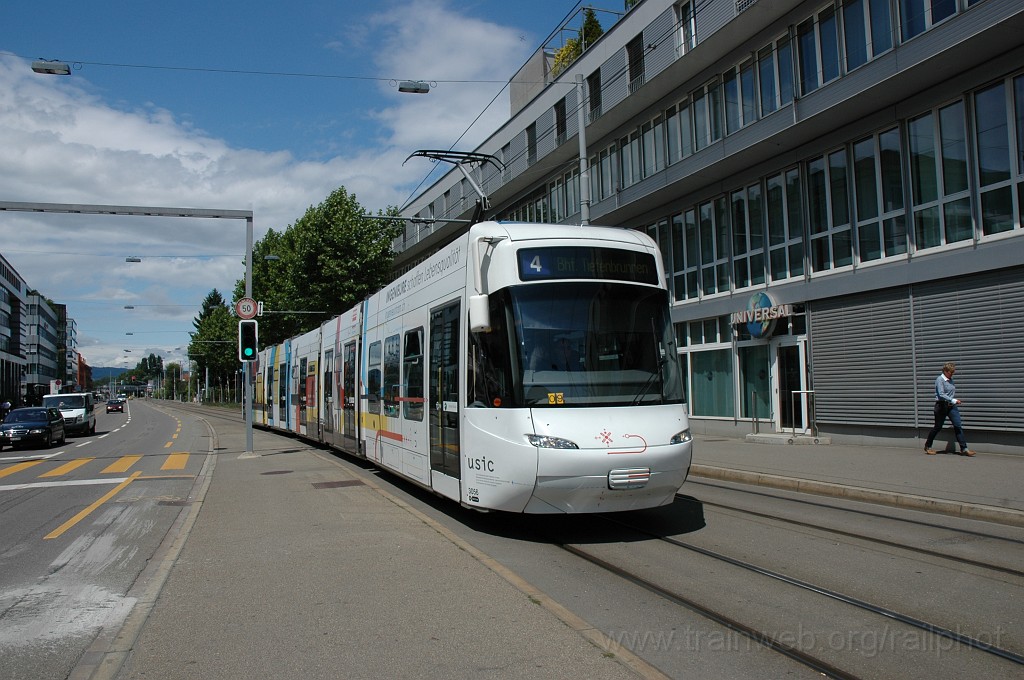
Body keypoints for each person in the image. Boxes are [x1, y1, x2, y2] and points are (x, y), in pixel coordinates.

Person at [924, 362, 975, 456]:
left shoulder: (950, 380)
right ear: (945, 371)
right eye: (951, 372)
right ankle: (928, 446)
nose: (952, 374)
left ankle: (964, 448)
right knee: (938, 427)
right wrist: (953, 400)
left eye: (953, 372)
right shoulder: (940, 379)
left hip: (951, 406)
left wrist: (952, 401)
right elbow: (941, 394)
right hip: (941, 406)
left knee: (958, 425)